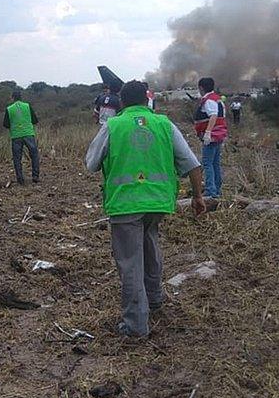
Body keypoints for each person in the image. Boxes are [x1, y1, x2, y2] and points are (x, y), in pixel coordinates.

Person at [86, 80, 205, 338]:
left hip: (125, 204)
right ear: (146, 100)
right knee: (150, 246)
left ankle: (135, 325)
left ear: (122, 102)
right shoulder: (164, 124)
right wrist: (197, 197)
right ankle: (155, 299)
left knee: (130, 263)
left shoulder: (113, 126)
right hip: (159, 203)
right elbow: (193, 165)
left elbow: (91, 163)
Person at [193, 77, 228, 199]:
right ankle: (217, 190)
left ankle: (211, 192)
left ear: (201, 88)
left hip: (211, 137)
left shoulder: (209, 100)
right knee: (215, 163)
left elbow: (213, 116)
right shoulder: (218, 99)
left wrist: (208, 132)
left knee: (207, 164)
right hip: (219, 135)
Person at [3, 90, 40, 185]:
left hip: (16, 136)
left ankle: (20, 179)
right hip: (28, 134)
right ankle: (35, 176)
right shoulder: (27, 106)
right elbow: (35, 120)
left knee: (17, 158)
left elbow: (6, 125)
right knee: (34, 155)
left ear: (12, 97)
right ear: (21, 97)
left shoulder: (9, 109)